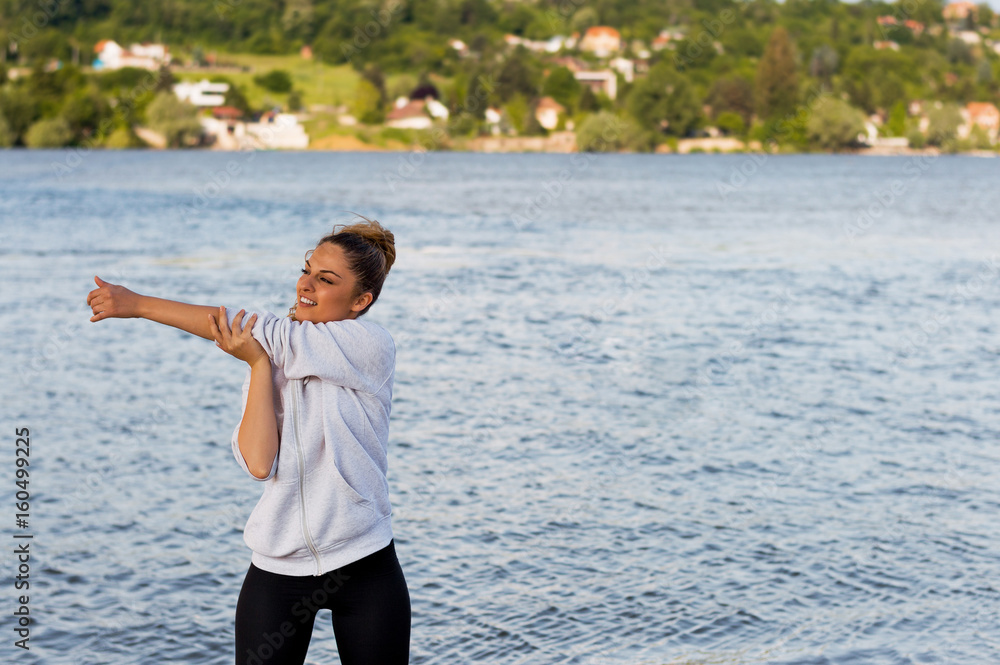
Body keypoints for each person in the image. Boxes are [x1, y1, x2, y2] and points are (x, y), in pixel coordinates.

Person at [86, 217, 411, 665]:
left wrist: (139, 303)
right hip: (278, 567)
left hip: (364, 561)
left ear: (361, 300)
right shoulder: (271, 358)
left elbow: (262, 331)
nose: (306, 284)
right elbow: (259, 463)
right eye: (307, 269)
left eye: (326, 279)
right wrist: (258, 367)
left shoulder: (370, 345)